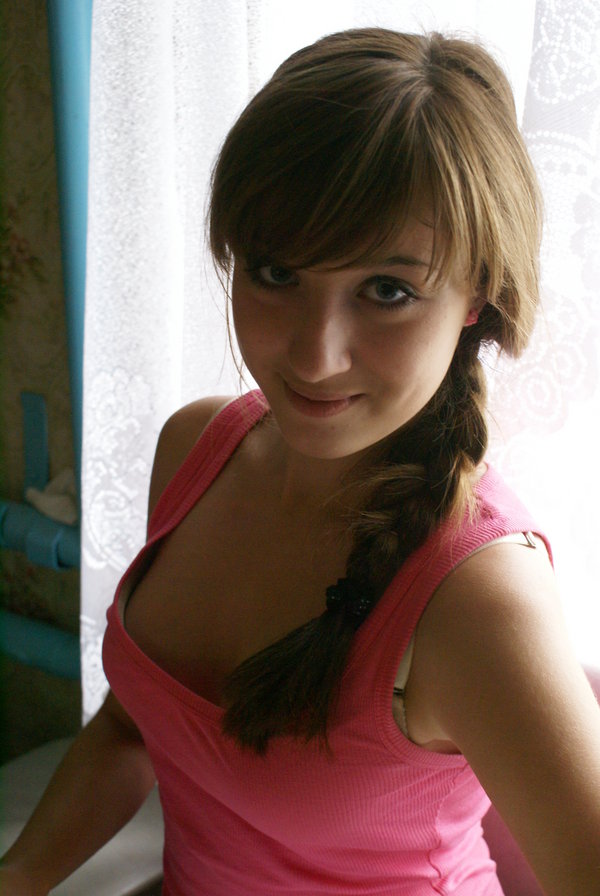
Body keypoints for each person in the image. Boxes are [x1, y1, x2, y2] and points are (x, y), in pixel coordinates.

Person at [2, 26, 600, 896]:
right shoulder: (195, 450)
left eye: (387, 291)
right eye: (277, 273)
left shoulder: (477, 600)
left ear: (477, 293)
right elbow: (133, 732)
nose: (315, 356)